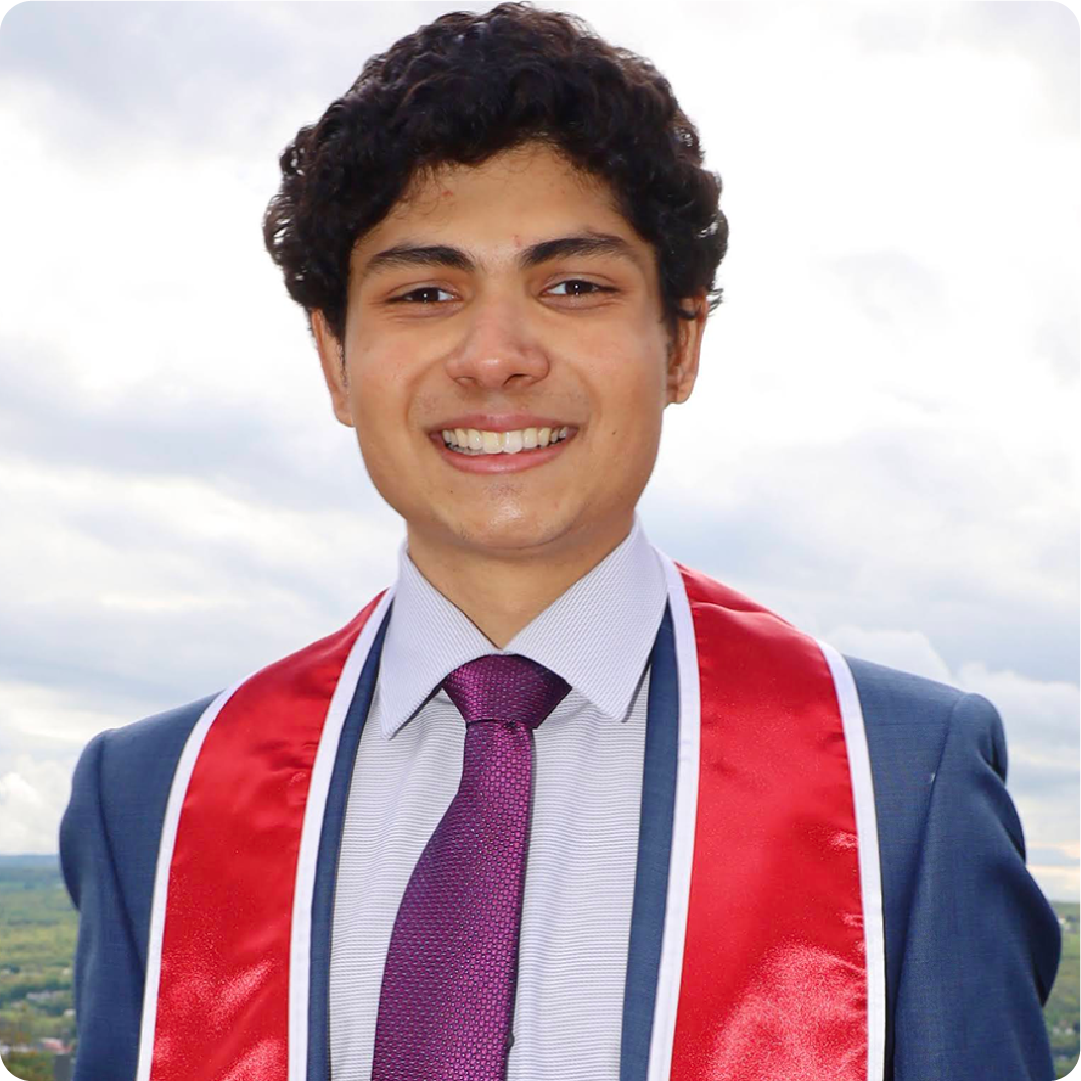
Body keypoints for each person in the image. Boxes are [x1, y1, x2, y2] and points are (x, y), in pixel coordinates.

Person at [58, 4, 1060, 1080]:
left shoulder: (897, 783)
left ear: (680, 342)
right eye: (425, 291)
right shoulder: (158, 798)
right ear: (334, 358)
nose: (495, 356)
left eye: (572, 285)